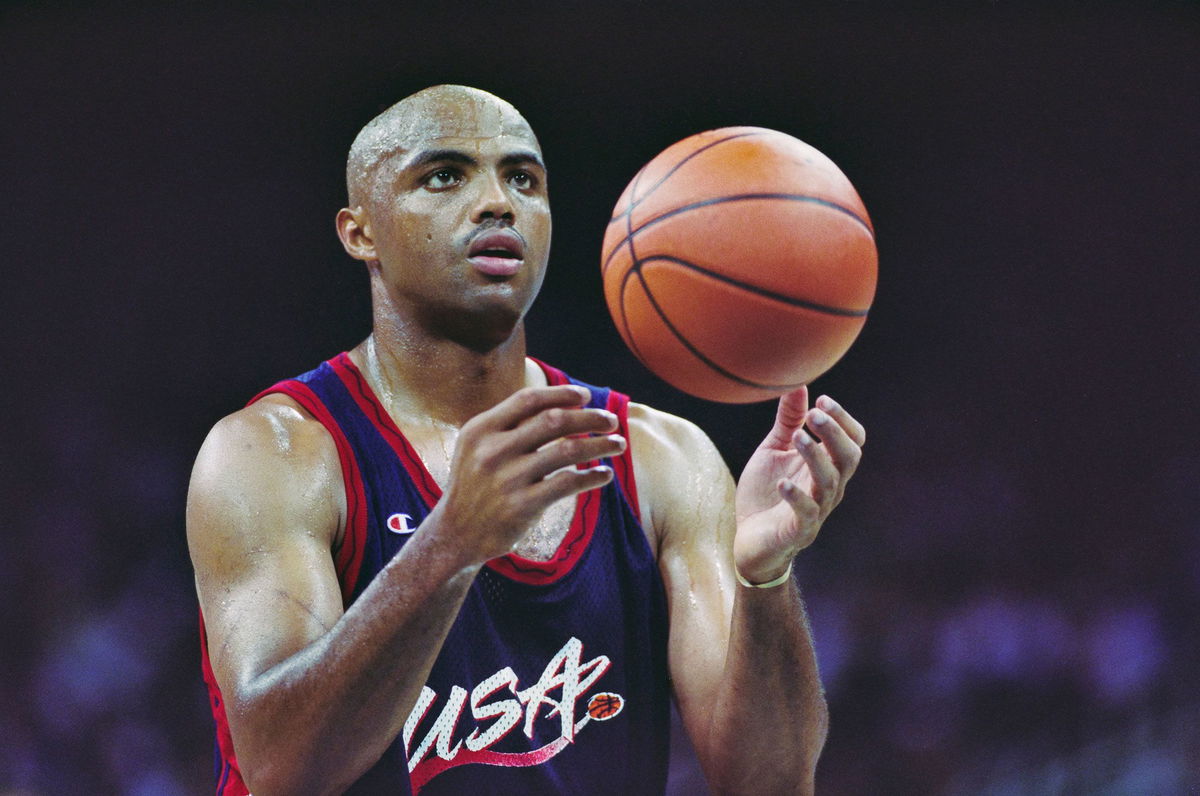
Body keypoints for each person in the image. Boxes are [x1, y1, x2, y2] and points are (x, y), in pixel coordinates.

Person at [187, 84, 865, 796]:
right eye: (444, 175)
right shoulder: (275, 454)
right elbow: (280, 768)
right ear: (361, 233)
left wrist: (766, 577)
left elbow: (770, 783)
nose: (497, 202)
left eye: (523, 179)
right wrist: (448, 547)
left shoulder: (663, 460)